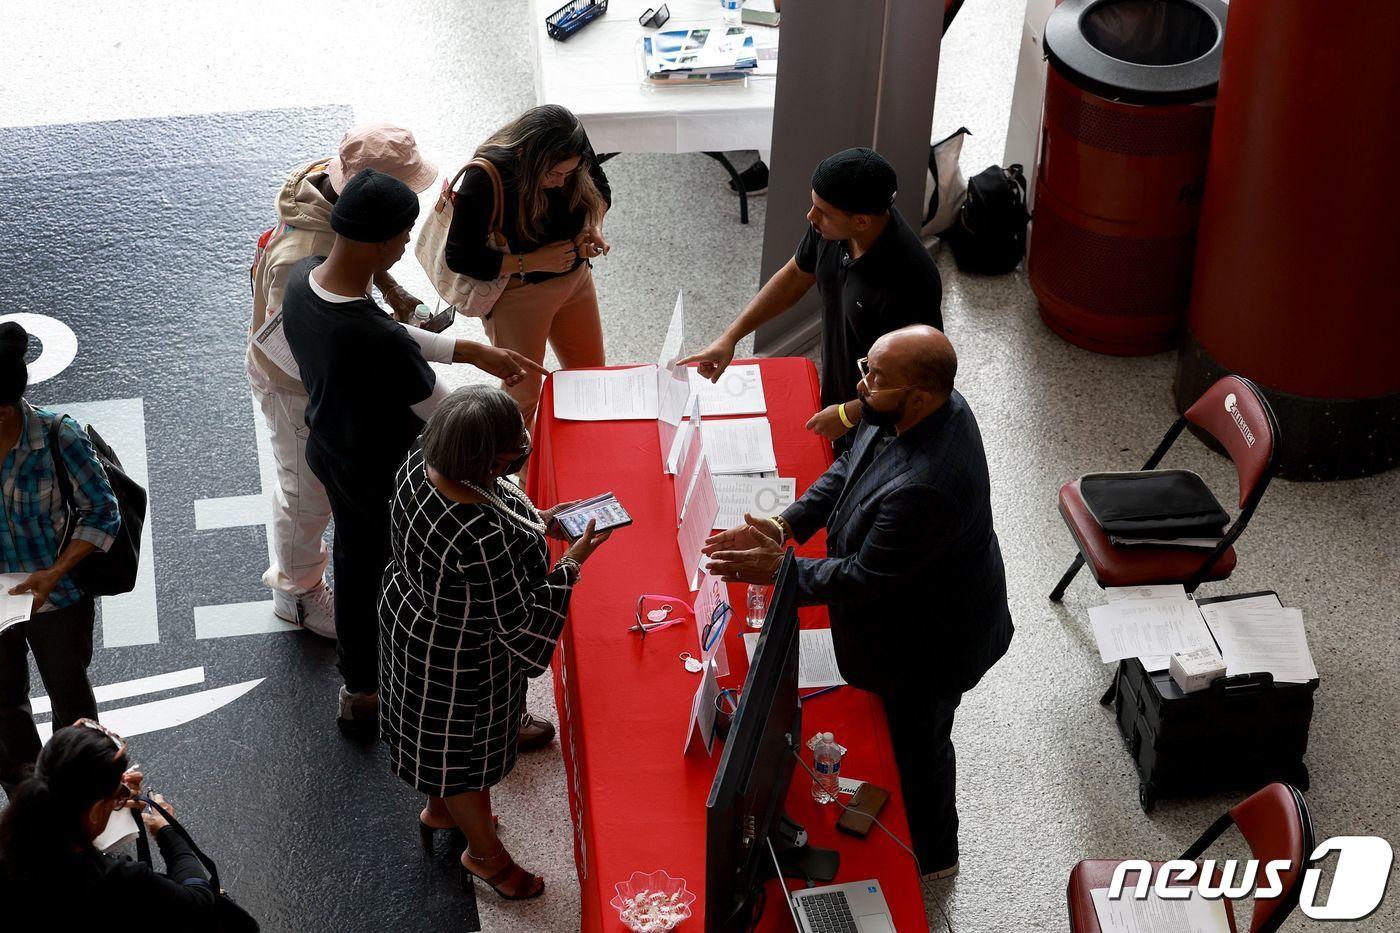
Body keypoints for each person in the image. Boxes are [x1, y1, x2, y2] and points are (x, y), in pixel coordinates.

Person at [704, 325, 1012, 879]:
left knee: (919, 747)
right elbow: (852, 467)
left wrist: (781, 571)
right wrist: (784, 525)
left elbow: (865, 576)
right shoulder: (907, 407)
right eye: (867, 368)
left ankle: (935, 858)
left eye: (877, 378)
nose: (863, 385)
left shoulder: (926, 487)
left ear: (919, 397)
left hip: (933, 642)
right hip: (910, 601)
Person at [281, 168, 548, 738]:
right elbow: (449, 418)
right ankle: (443, 701)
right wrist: (508, 439)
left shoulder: (305, 279)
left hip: (333, 448)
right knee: (424, 586)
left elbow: (383, 329)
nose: (407, 244)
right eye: (403, 235)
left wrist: (468, 350)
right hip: (387, 475)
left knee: (355, 564)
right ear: (379, 242)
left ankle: (360, 689)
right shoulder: (371, 338)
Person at [379, 386, 611, 900]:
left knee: (436, 743)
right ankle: (484, 856)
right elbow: (520, 624)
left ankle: (442, 811)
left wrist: (538, 518)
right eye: (511, 451)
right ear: (487, 462)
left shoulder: (421, 460)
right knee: (465, 760)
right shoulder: (481, 536)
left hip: (411, 624)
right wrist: (573, 562)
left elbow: (496, 502)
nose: (521, 448)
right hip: (461, 658)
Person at [249, 123, 449, 639]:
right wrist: (368, 356)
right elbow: (294, 344)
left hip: (320, 382)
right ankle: (295, 593)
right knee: (304, 496)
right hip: (297, 390)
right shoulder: (300, 257)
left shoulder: (323, 188)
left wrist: (390, 291)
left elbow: (354, 260)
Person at [681, 147, 944, 452]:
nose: (811, 216)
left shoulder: (912, 281)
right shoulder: (830, 230)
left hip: (880, 428)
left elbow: (916, 382)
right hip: (839, 399)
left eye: (822, 212)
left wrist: (848, 414)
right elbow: (795, 275)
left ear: (861, 221)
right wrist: (731, 336)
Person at [0, 323, 122, 795]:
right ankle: (29, 801)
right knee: (3, 708)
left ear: (5, 409)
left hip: (57, 597)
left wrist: (54, 573)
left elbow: (103, 512)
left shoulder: (58, 436)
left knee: (70, 701)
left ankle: (77, 799)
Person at [444, 104, 611, 430]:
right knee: (522, 397)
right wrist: (532, 261)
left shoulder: (573, 144)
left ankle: (580, 450)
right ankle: (523, 461)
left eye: (569, 174)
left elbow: (601, 189)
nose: (562, 183)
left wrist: (592, 227)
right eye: (553, 174)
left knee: (591, 376)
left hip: (576, 281)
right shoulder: (486, 177)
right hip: (520, 294)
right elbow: (460, 256)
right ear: (526, 157)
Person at [0, 721, 222, 928]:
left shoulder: (14, 845)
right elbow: (199, 900)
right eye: (117, 796)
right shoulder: (116, 879)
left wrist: (111, 798)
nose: (121, 798)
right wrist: (168, 831)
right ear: (95, 810)